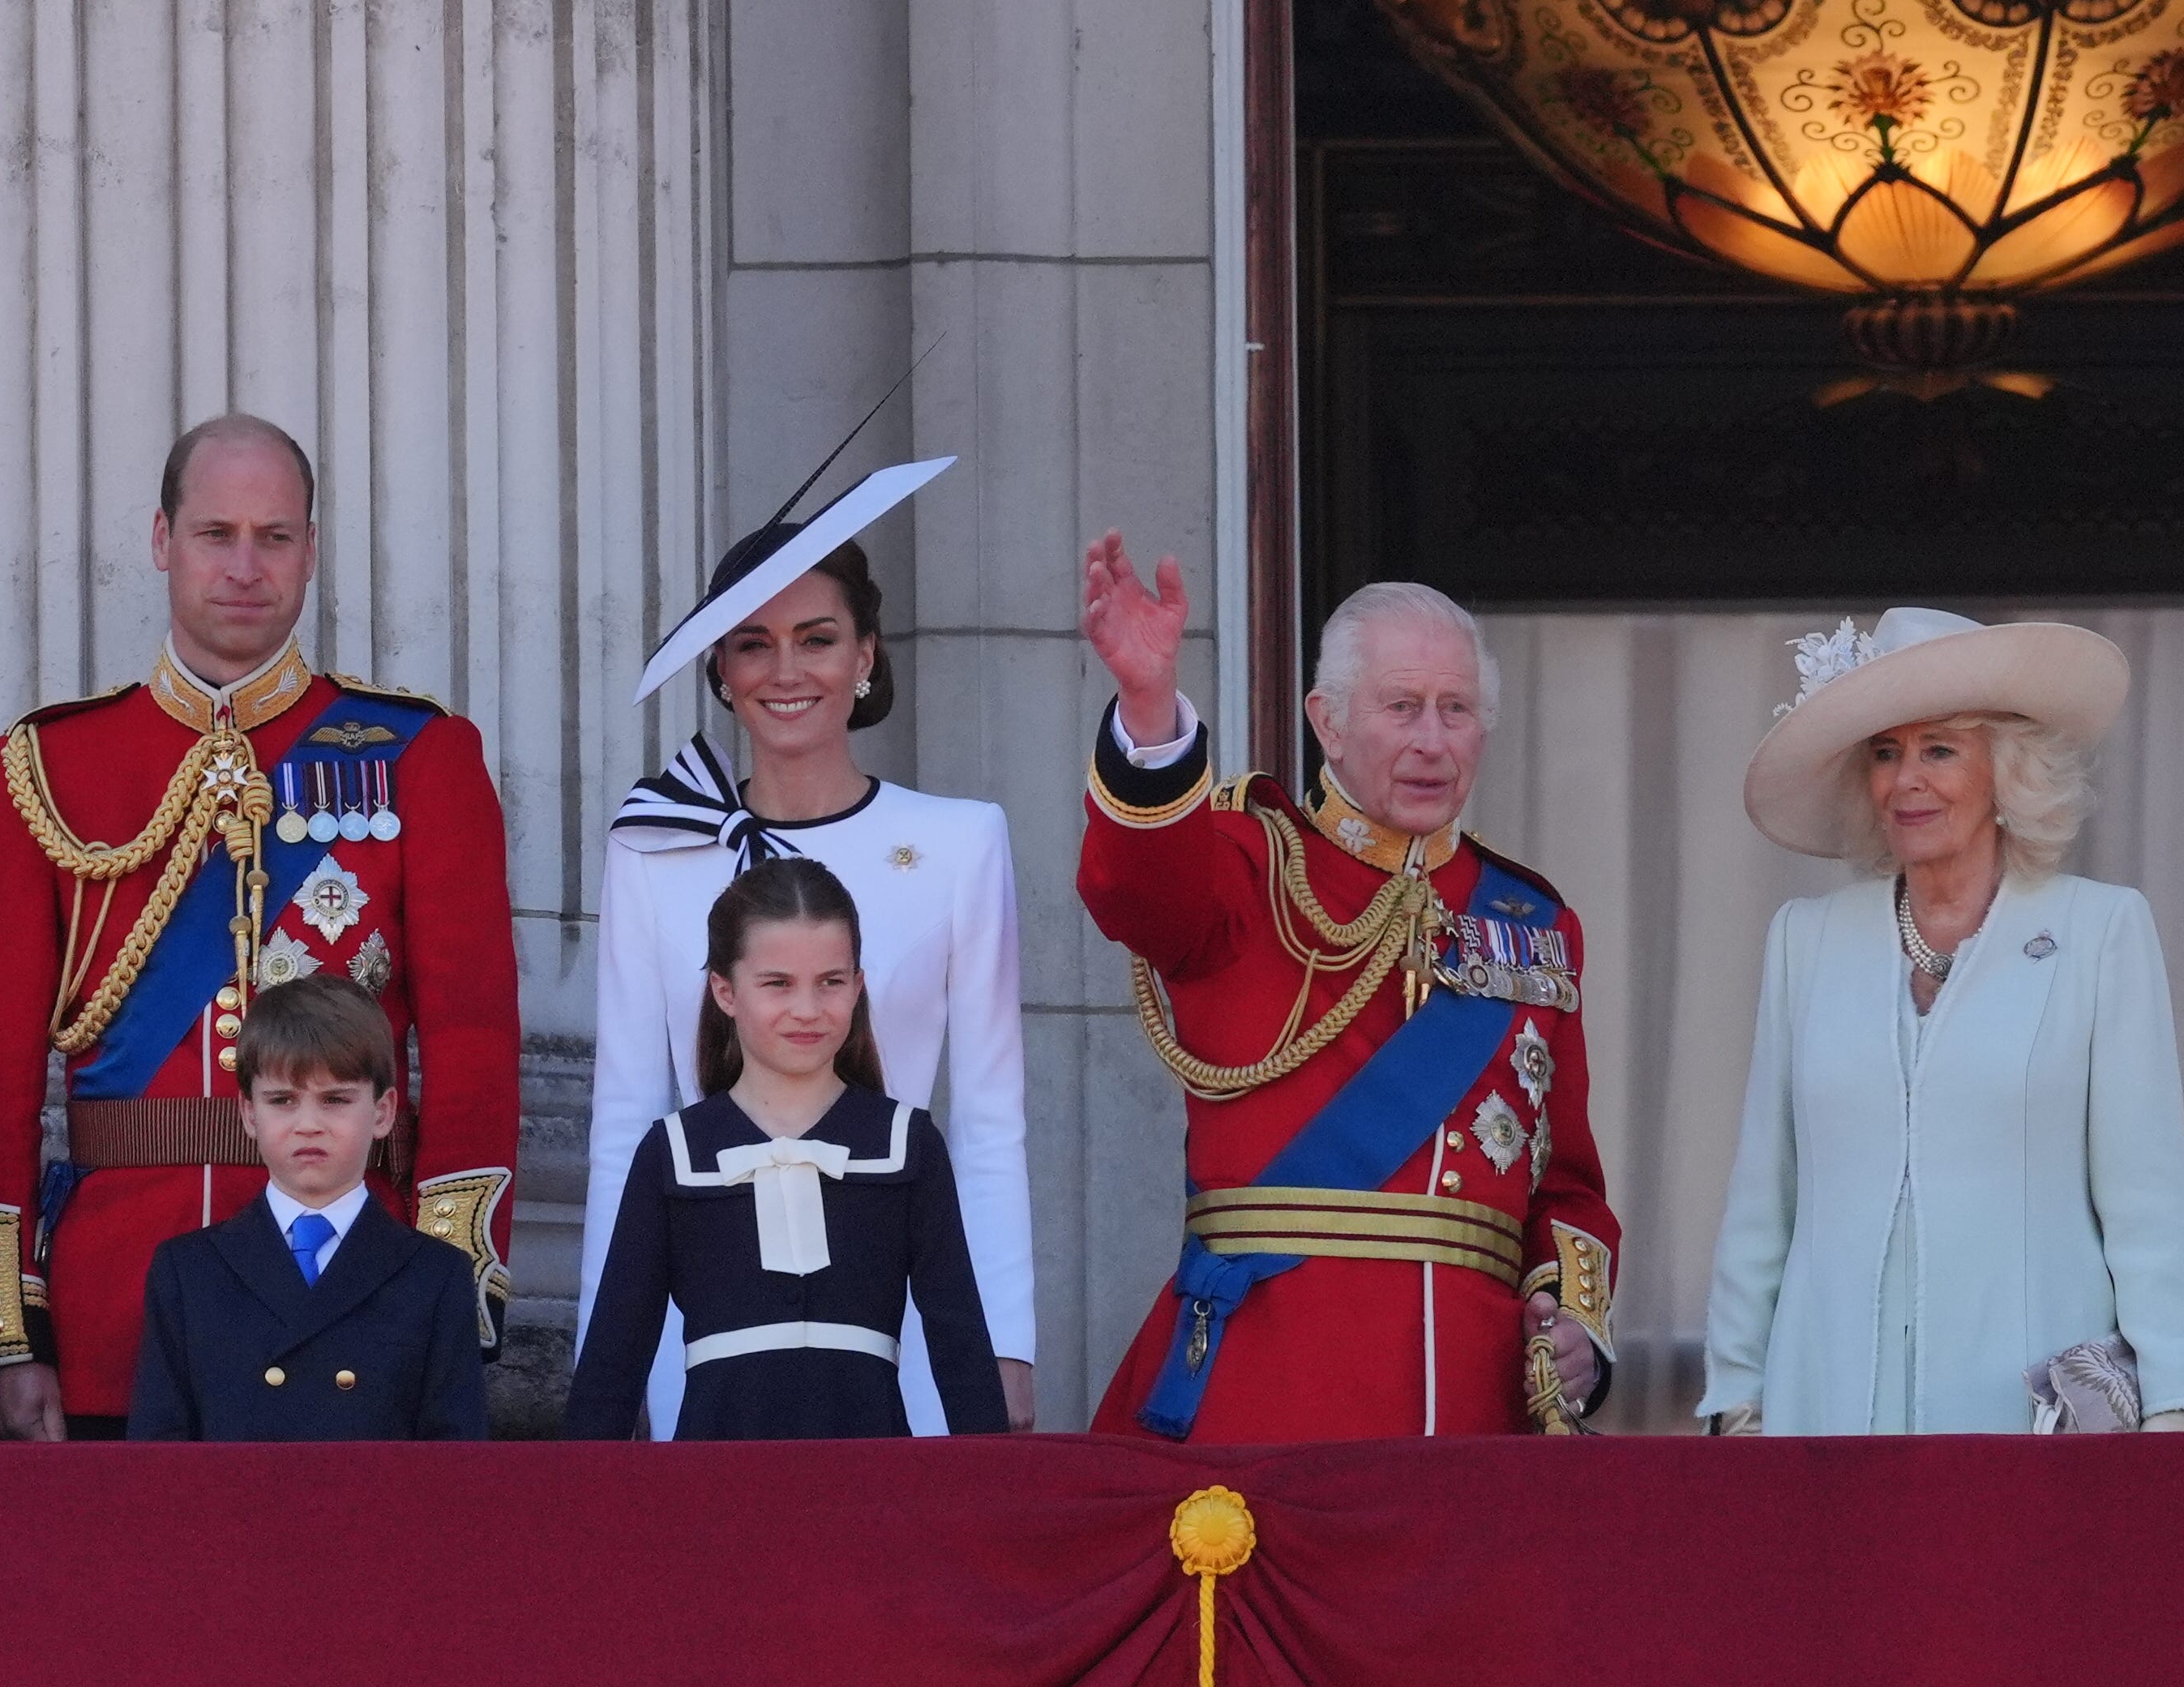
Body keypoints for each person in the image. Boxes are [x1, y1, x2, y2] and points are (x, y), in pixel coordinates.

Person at [0, 414, 520, 1437]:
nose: (246, 567)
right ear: (162, 541)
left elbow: (474, 1050)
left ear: (311, 548)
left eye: (276, 536)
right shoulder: (46, 769)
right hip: (113, 1310)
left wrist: (454, 1295)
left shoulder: (417, 755)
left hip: (361, 1302)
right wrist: (9, 1332)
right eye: (216, 534)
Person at [1073, 542, 1619, 1440]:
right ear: (1325, 722)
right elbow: (1137, 888)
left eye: (1456, 710)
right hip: (1270, 1385)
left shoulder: (1533, 923)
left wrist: (1574, 1329)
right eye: (1401, 707)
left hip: (1472, 1409)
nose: (1432, 740)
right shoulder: (1251, 867)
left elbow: (1566, 1187)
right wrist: (1148, 704)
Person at [1698, 606, 2184, 1434]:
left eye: (1939, 749)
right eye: (1885, 752)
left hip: (2028, 1415)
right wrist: (1736, 1398)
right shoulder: (1807, 940)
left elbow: (2146, 1200)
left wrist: (2170, 1407)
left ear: (2004, 774)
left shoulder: (2099, 932)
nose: (1906, 780)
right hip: (1826, 1404)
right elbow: (1765, 1193)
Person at [588, 505, 1035, 1432]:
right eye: (752, 643)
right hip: (705, 1342)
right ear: (719, 666)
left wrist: (1005, 1345)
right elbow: (625, 1118)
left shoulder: (959, 842)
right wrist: (614, 1361)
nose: (786, 671)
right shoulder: (653, 846)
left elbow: (990, 1124)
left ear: (866, 653)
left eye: (817, 638)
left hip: (903, 1330)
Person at [565, 858, 1013, 1441]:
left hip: (871, 1488)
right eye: (778, 983)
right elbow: (612, 1364)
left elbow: (962, 1349)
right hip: (717, 1490)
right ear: (725, 991)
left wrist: (995, 1501)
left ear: (857, 985)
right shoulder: (673, 1152)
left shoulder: (907, 1144)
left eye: (830, 981)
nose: (808, 1009)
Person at [126, 978, 490, 1440]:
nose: (309, 1125)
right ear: (249, 1114)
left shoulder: (437, 1275)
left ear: (383, 1112)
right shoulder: (188, 1271)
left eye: (335, 1100)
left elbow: (454, 1467)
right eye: (283, 1101)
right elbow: (160, 1459)